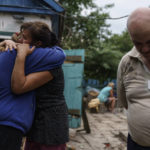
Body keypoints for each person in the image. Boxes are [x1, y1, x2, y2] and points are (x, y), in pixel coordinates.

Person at [0, 22, 66, 150]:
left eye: (24, 37)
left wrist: (20, 54)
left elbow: (60, 55)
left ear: (38, 44)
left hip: (49, 124)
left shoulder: (40, 58)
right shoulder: (26, 55)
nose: (19, 39)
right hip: (30, 122)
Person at [117, 7, 150, 150]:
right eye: (138, 43)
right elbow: (125, 102)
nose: (145, 49)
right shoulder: (127, 62)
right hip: (137, 144)